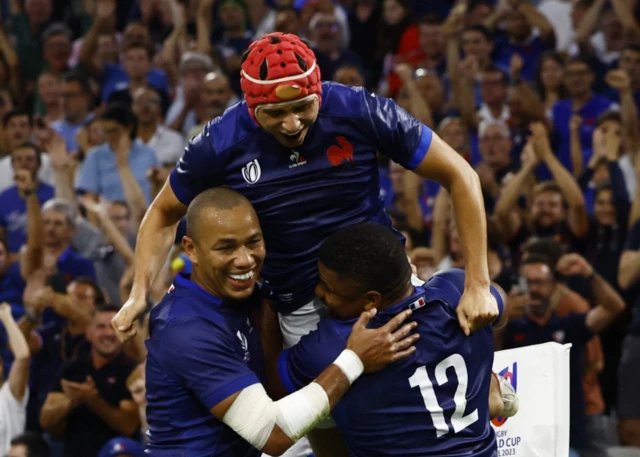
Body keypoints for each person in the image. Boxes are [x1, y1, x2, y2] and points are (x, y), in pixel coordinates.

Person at [113, 32, 498, 347]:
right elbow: (163, 212)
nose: (292, 123)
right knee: (323, 424)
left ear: (319, 91)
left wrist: (478, 284)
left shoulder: (359, 109)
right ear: (251, 107)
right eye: (275, 114)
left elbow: (460, 174)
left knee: (459, 341)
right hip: (300, 306)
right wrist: (138, 292)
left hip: (383, 286)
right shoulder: (219, 142)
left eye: (303, 106)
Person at [144, 187, 418, 456]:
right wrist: (354, 360)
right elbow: (273, 435)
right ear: (191, 249)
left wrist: (397, 278)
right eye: (226, 247)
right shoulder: (186, 331)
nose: (245, 259)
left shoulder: (250, 295)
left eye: (253, 242)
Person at [275, 223, 513, 456]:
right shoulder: (456, 290)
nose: (318, 292)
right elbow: (500, 309)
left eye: (328, 288)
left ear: (371, 300)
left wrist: (265, 307)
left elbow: (271, 391)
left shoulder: (331, 346)